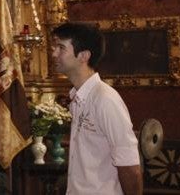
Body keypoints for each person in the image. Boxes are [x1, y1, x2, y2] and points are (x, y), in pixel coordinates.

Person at [51, 22, 142, 195]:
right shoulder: (78, 97)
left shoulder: (105, 99)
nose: (54, 53)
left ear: (83, 56)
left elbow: (130, 167)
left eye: (61, 48)